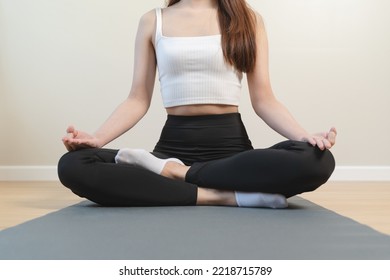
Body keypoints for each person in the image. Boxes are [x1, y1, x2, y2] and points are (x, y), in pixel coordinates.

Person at [58, 0, 336, 209]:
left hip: (232, 156)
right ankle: (219, 195)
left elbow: (264, 100)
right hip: (171, 150)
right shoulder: (153, 20)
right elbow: (137, 99)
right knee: (73, 164)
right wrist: (97, 139)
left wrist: (304, 137)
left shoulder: (249, 20)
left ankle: (179, 175)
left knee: (318, 161)